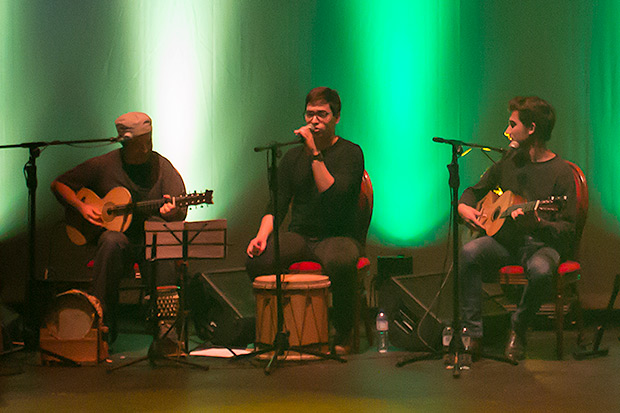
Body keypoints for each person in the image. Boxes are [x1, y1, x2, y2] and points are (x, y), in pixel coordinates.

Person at [246, 87, 364, 354]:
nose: (314, 121)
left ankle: (342, 333)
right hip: (300, 234)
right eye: (310, 114)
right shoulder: (291, 157)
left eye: (322, 114)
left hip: (338, 234)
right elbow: (275, 206)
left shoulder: (351, 153)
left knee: (341, 261)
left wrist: (314, 153)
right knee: (259, 259)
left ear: (336, 118)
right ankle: (276, 328)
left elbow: (333, 197)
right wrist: (261, 236)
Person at [458, 96, 577, 361]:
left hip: (541, 246)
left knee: (542, 270)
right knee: (469, 252)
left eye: (513, 125)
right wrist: (463, 206)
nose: (507, 131)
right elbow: (473, 191)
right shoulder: (510, 162)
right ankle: (473, 334)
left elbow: (568, 228)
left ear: (531, 128)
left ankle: (518, 328)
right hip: (506, 243)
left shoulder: (561, 172)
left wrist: (539, 223)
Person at [51, 112, 186, 342]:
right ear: (124, 143)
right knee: (112, 240)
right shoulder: (105, 164)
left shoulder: (162, 167)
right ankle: (101, 322)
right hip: (117, 244)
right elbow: (59, 184)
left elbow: (179, 208)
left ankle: (166, 326)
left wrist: (173, 211)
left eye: (149, 142)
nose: (145, 149)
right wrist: (80, 208)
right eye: (138, 145)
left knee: (159, 236)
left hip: (148, 244)